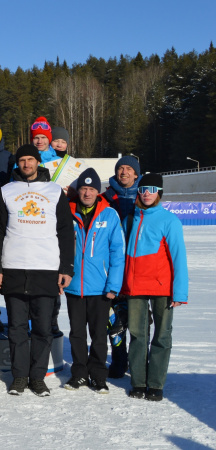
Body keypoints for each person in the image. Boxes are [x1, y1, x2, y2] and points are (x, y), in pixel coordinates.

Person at [0, 144, 74, 397]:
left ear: (38, 162)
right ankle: (19, 377)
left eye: (30, 159)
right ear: (18, 164)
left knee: (42, 328)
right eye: (22, 160)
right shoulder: (5, 191)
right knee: (15, 327)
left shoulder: (55, 191)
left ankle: (37, 377)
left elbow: (66, 232)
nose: (26, 164)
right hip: (13, 268)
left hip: (46, 268)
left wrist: (66, 268)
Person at [121, 173, 188, 402]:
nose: (147, 193)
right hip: (135, 287)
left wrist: (179, 292)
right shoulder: (130, 218)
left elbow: (179, 258)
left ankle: (156, 384)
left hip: (162, 288)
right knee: (138, 335)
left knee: (161, 336)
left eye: (152, 189)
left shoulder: (170, 220)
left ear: (159, 192)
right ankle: (139, 382)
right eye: (143, 189)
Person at [63, 168, 125, 394]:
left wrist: (113, 286)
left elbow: (118, 253)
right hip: (74, 286)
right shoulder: (67, 212)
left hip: (101, 288)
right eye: (83, 189)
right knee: (77, 333)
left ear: (97, 192)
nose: (87, 193)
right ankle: (79, 374)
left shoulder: (109, 214)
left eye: (91, 189)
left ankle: (98, 375)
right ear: (77, 191)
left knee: (99, 335)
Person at [101, 155, 141, 378]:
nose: (124, 172)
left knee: (137, 320)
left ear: (136, 174)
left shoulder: (145, 197)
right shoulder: (106, 197)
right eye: (120, 168)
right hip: (113, 265)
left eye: (129, 169)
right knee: (113, 318)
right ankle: (118, 361)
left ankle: (137, 364)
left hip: (138, 267)